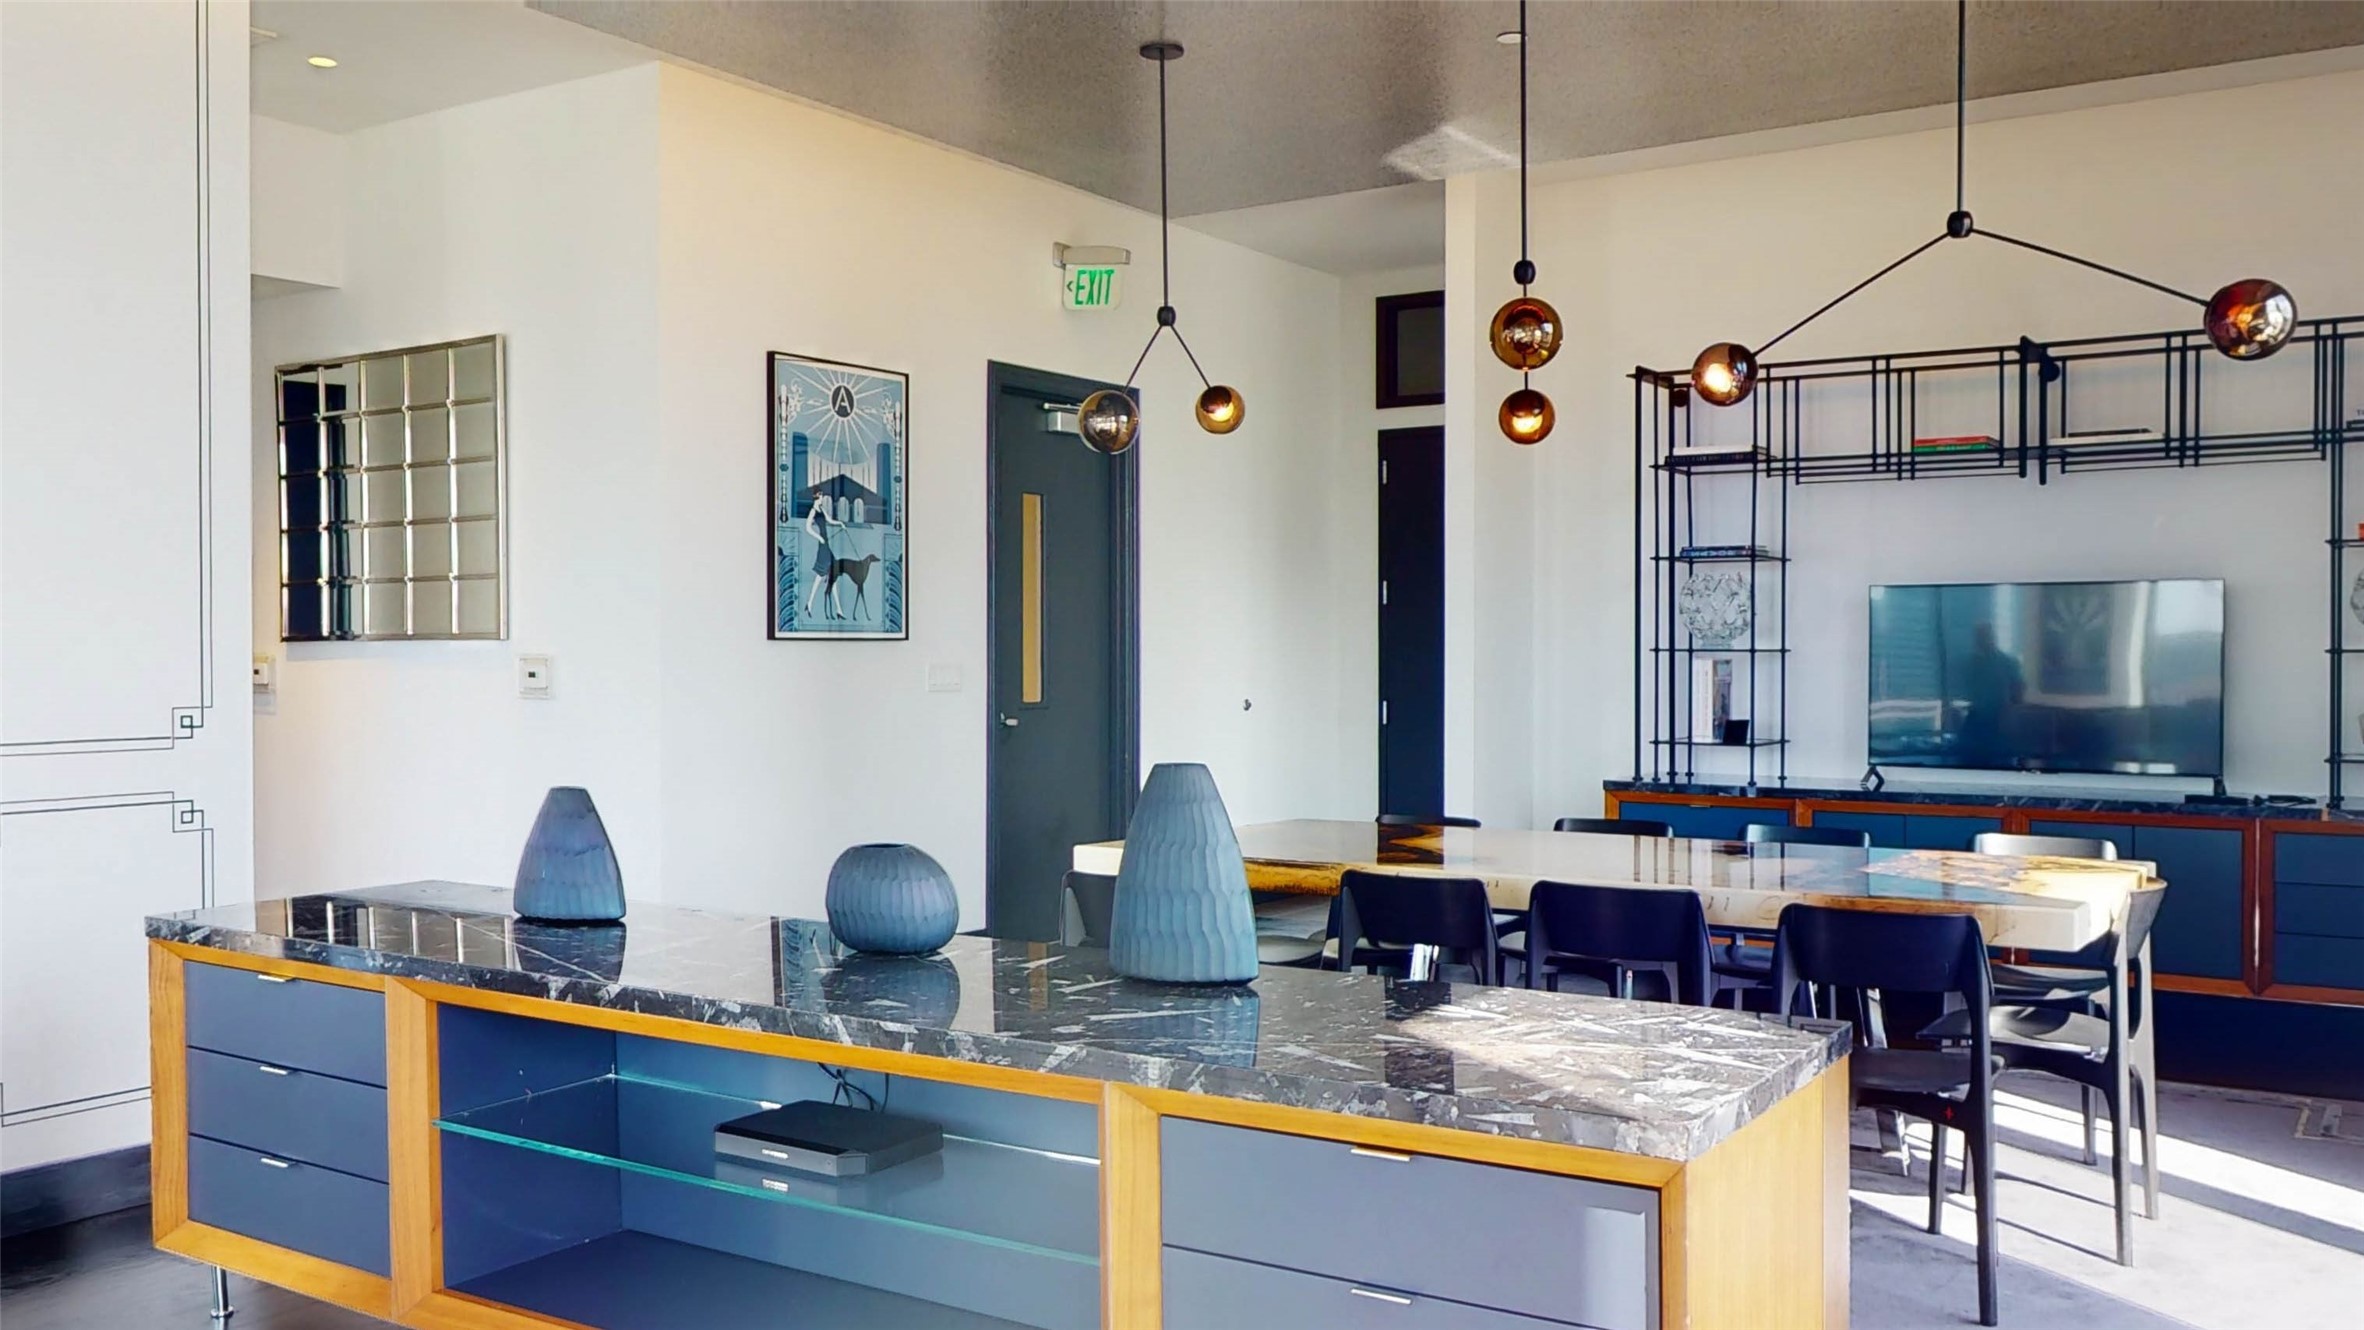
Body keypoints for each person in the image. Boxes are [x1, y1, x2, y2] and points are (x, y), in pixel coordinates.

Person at [802, 495, 839, 619]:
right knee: (820, 577)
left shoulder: (822, 509)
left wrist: (840, 523)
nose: (822, 498)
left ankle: (838, 609)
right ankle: (810, 603)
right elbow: (807, 528)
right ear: (817, 497)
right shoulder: (813, 511)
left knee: (830, 575)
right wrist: (819, 537)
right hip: (822, 543)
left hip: (826, 543)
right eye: (821, 496)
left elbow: (830, 520)